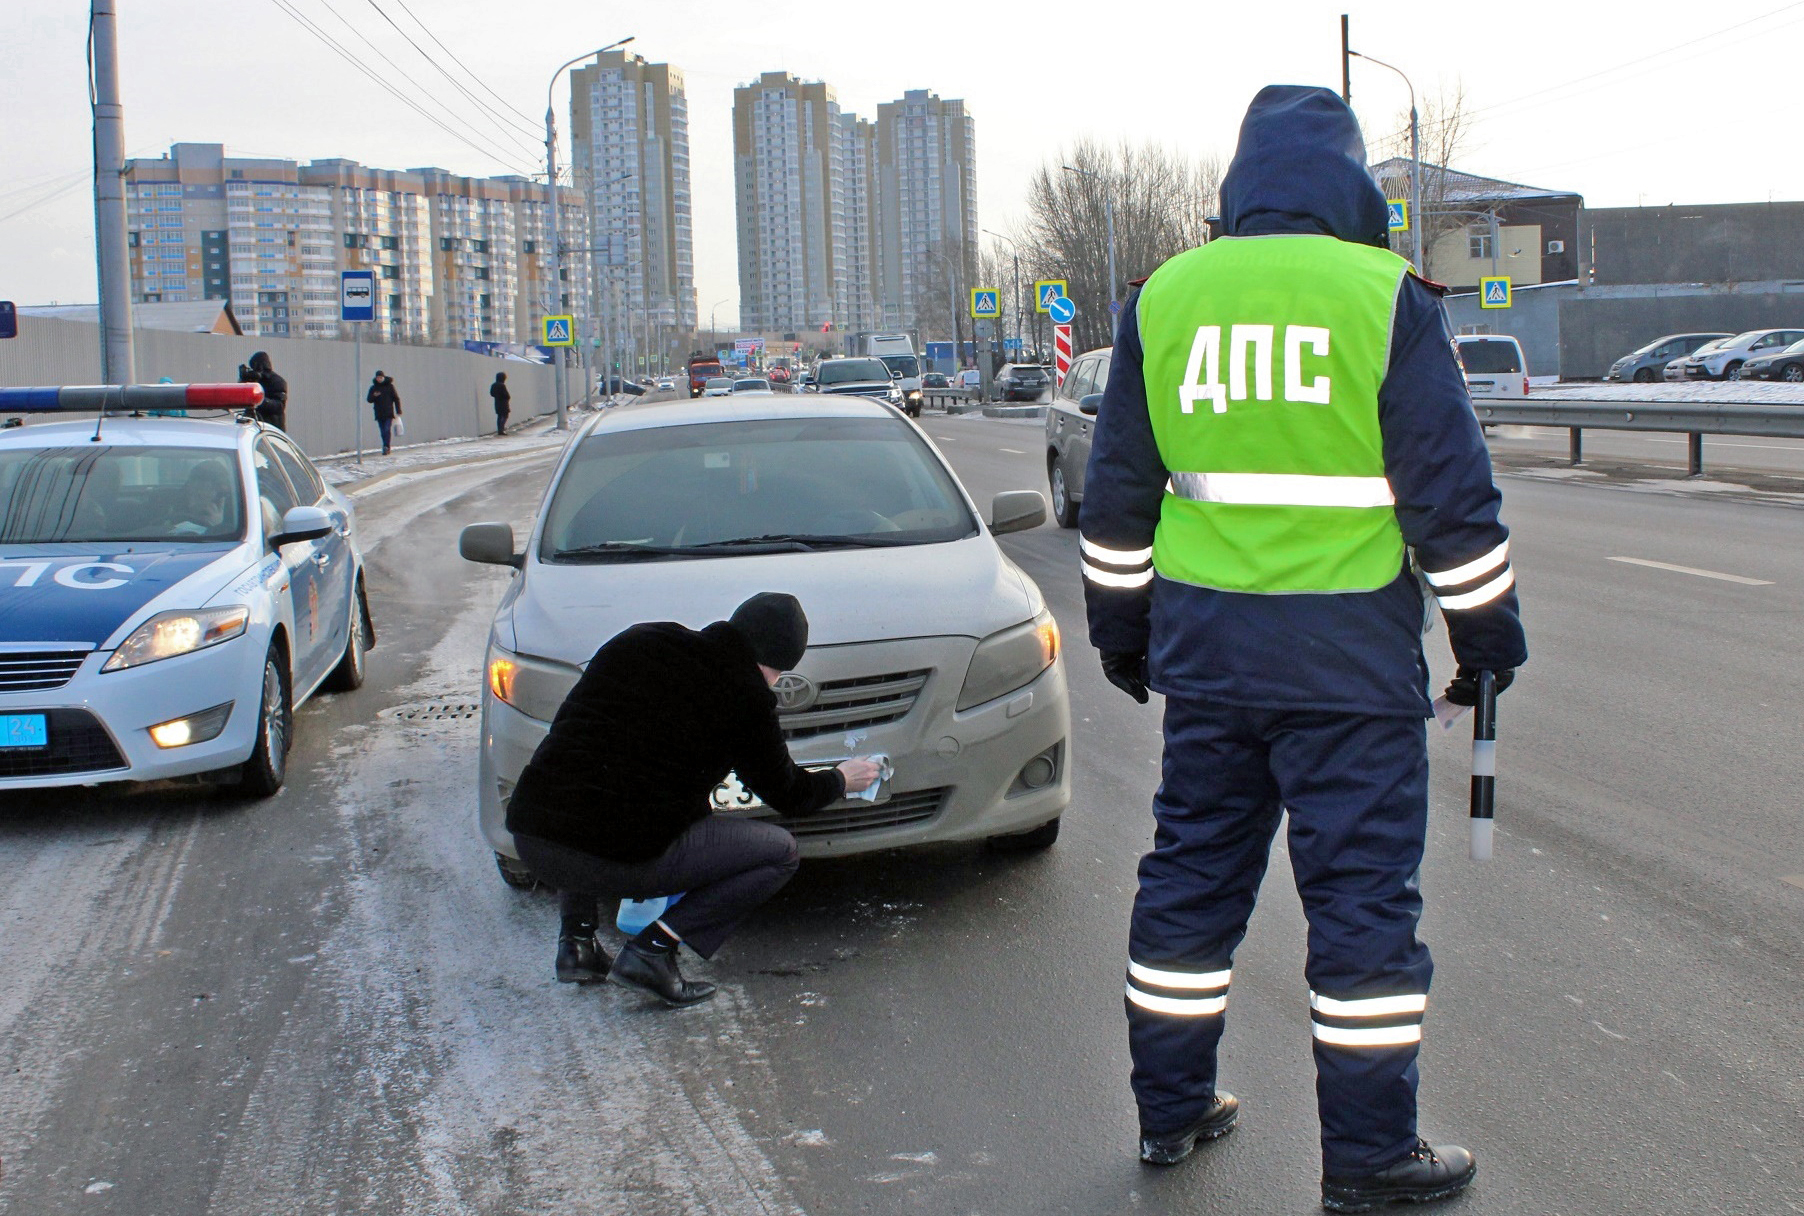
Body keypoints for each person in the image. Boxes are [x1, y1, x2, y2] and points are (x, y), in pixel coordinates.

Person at [1078, 85, 1526, 1211]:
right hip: (1349, 674)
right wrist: (1486, 643)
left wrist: (1124, 637)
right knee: (1363, 914)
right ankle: (1369, 1160)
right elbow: (1451, 506)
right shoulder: (1383, 299)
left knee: (1186, 889)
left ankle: (1169, 1111)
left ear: (1241, 183)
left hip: (1211, 668)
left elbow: (1119, 502)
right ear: (1349, 183)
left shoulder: (1167, 298)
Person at [506, 593, 883, 1008]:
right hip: (616, 858)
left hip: (531, 833)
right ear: (778, 665)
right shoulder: (747, 698)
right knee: (780, 854)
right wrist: (841, 779)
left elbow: (576, 732)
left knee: (585, 798)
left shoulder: (641, 639)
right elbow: (790, 794)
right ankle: (652, 951)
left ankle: (576, 945)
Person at [237, 351, 287, 430]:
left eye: (255, 368)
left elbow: (279, 406)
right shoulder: (255, 381)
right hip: (254, 426)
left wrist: (259, 400)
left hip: (271, 428)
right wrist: (243, 380)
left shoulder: (277, 381)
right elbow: (240, 396)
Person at [366, 371, 402, 455]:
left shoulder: (390, 387)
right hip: (379, 413)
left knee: (386, 429)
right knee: (382, 431)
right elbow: (369, 400)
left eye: (381, 377)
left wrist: (398, 410)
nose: (379, 379)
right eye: (378, 378)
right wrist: (374, 395)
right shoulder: (373, 388)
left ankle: (386, 446)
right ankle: (385, 445)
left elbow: (396, 399)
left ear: (384, 377)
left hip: (388, 412)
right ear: (376, 378)